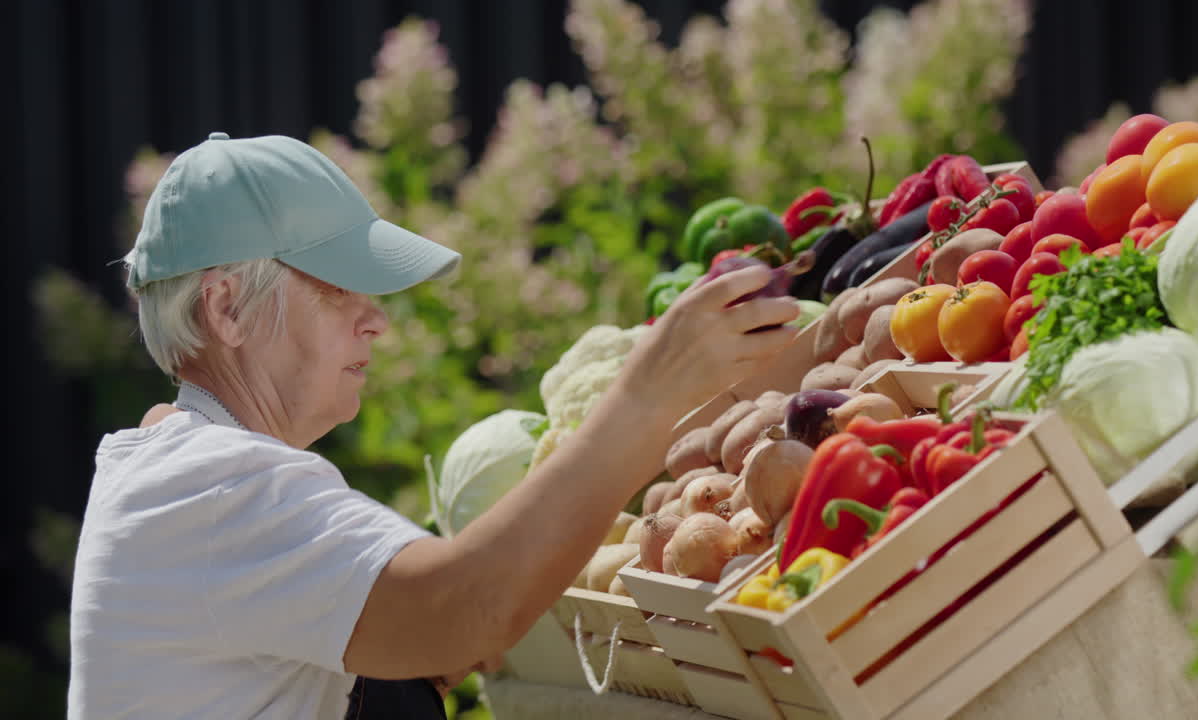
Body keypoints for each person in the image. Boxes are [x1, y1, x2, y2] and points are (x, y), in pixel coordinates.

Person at [68, 132, 801, 719]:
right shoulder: (213, 491)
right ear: (225, 308)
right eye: (337, 289)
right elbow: (466, 610)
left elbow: (427, 641)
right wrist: (646, 393)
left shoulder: (179, 472)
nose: (376, 319)